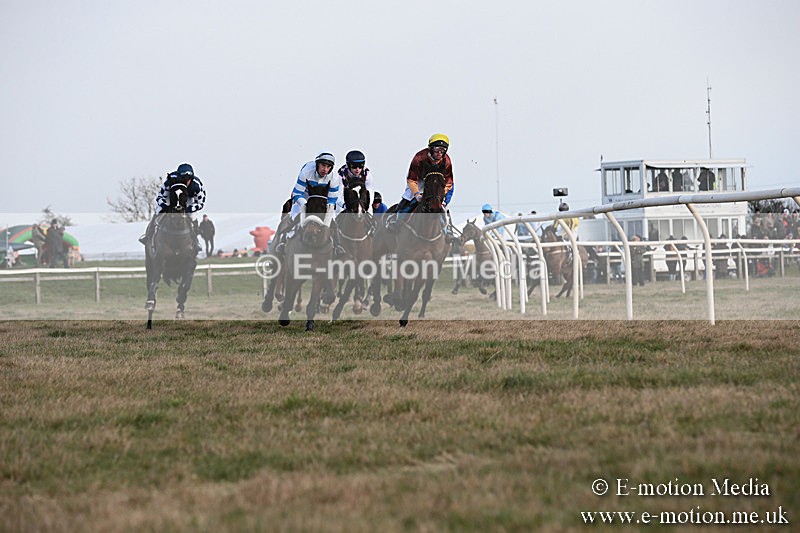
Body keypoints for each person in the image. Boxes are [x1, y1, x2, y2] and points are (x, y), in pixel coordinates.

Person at [274, 152, 343, 256]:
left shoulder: (334, 178)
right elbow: (297, 193)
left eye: (328, 167)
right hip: (305, 196)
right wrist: (306, 206)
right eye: (323, 166)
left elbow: (332, 200)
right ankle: (283, 242)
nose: (325, 169)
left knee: (332, 221)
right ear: (317, 165)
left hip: (322, 201)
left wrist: (325, 213)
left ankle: (337, 246)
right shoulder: (306, 172)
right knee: (292, 217)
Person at [386, 133, 454, 232]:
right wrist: (417, 195)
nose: (440, 152)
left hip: (440, 183)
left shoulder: (446, 160)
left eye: (443, 150)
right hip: (420, 181)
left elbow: (449, 181)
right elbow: (411, 179)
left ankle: (448, 231)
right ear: (430, 148)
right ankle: (397, 221)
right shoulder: (419, 158)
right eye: (437, 149)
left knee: (442, 207)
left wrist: (441, 197)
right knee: (409, 200)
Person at [139, 163, 206, 251]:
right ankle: (148, 235)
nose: (186, 182)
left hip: (188, 198)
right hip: (171, 197)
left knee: (192, 215)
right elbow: (160, 197)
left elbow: (201, 203)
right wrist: (165, 206)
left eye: (188, 179)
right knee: (159, 211)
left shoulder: (197, 185)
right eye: (182, 179)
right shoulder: (170, 181)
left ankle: (195, 241)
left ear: (192, 178)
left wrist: (189, 209)